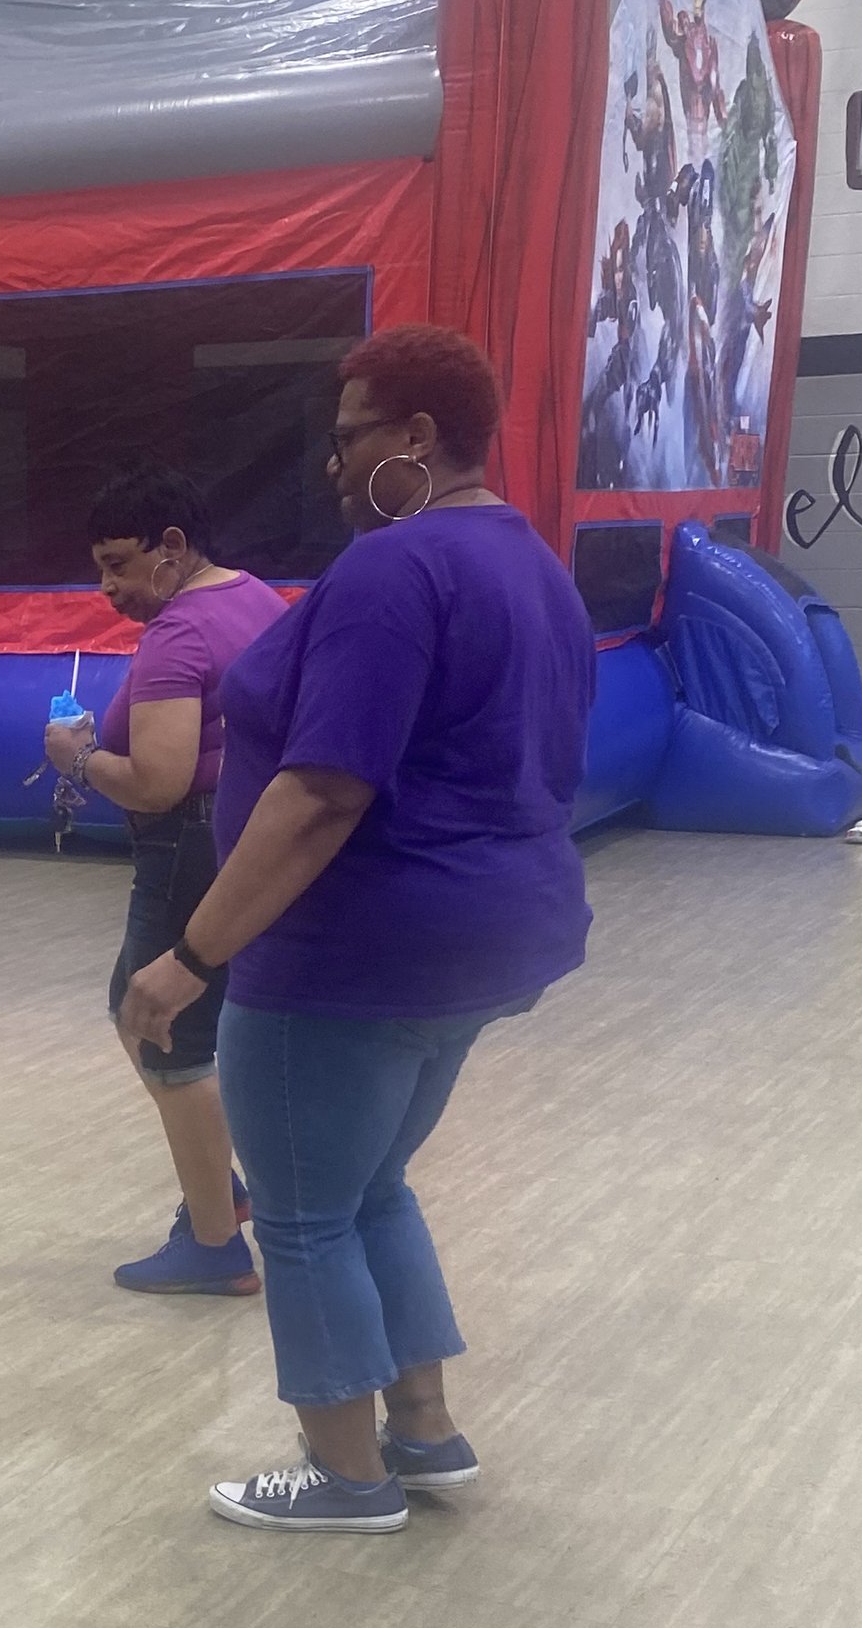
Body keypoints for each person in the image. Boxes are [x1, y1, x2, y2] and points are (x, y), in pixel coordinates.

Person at [120, 325, 593, 1535]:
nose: (331, 467)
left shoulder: (395, 568)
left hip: (352, 951)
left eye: (348, 439)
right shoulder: (529, 560)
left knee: (300, 1216)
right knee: (371, 1186)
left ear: (417, 438)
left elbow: (324, 790)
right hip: (483, 939)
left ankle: (344, 1476)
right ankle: (422, 1433)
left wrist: (189, 957)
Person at [45, 466, 286, 1295]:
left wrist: (76, 754)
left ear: (172, 548)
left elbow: (158, 781)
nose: (107, 588)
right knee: (151, 1006)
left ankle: (216, 1241)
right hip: (244, 837)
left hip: (187, 843)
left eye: (119, 564)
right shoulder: (255, 597)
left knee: (159, 1023)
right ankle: (220, 1186)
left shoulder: (178, 633)